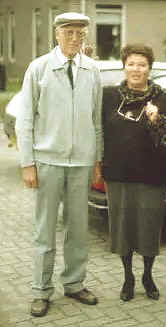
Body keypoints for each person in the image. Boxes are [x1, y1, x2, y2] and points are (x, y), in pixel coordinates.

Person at [15, 12, 103, 317]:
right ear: (57, 34)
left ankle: (75, 283)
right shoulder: (38, 68)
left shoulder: (92, 70)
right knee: (45, 229)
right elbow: (25, 119)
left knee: (78, 228)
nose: (75, 39)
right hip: (48, 161)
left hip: (81, 162)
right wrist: (28, 163)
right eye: (69, 33)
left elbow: (97, 119)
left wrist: (97, 159)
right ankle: (41, 290)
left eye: (80, 34)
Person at [102, 44, 166, 302]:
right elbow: (99, 131)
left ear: (149, 68)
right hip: (118, 174)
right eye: (131, 64)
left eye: (142, 64)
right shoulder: (109, 96)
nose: (136, 69)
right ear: (124, 65)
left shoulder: (163, 98)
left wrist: (158, 120)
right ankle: (128, 277)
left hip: (152, 175)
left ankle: (147, 275)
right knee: (122, 230)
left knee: (148, 229)